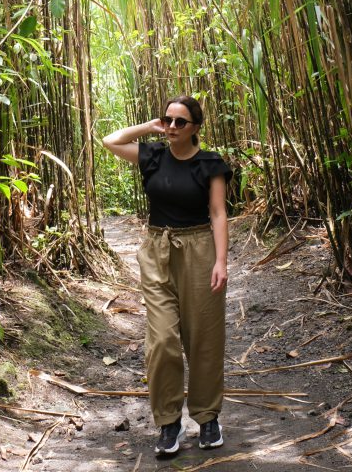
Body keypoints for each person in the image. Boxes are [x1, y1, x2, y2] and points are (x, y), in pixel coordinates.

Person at [102, 95, 232, 457]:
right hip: (157, 250)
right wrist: (149, 127)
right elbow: (110, 141)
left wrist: (221, 261)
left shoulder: (210, 164)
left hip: (200, 249)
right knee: (162, 341)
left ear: (195, 128)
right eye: (168, 120)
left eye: (180, 122)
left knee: (203, 337)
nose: (172, 127)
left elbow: (219, 213)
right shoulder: (153, 154)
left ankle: (207, 418)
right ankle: (169, 422)